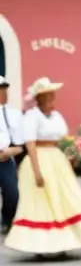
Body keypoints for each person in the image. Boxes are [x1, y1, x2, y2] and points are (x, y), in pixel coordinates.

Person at [4, 78, 81, 256]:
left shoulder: (56, 116)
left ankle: (63, 241)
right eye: (50, 97)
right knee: (40, 202)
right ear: (41, 98)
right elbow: (30, 144)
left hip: (55, 159)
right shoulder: (32, 116)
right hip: (40, 157)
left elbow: (61, 138)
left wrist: (69, 157)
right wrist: (37, 171)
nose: (53, 100)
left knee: (62, 197)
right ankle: (38, 246)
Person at [0, 76, 25, 236]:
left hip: (5, 160)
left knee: (12, 193)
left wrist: (10, 152)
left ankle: (7, 220)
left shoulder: (13, 114)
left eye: (5, 89)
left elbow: (21, 146)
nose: (4, 93)